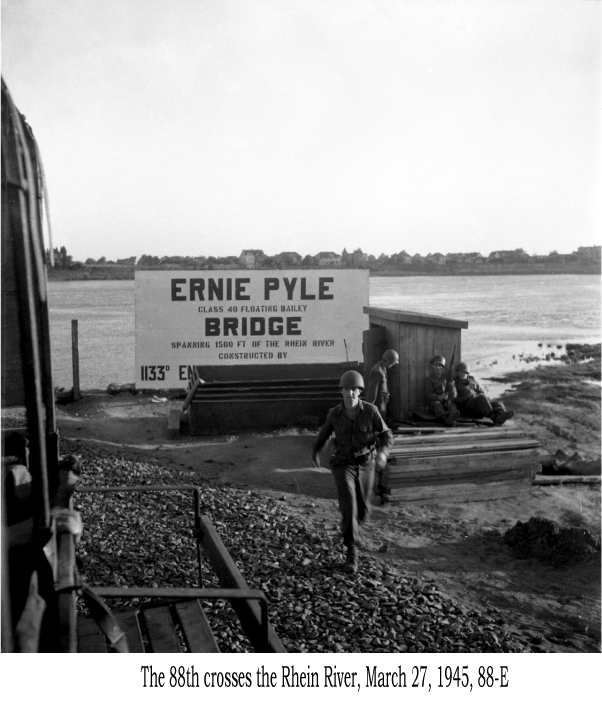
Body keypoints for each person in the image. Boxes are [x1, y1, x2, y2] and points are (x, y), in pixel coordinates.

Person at [311, 370, 393, 573]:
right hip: (343, 464)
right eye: (346, 390)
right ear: (342, 392)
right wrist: (316, 451)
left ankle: (355, 530)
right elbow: (324, 434)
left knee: (363, 510)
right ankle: (351, 552)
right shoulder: (334, 414)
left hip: (366, 464)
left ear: (360, 392)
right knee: (349, 507)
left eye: (354, 390)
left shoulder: (371, 411)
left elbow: (387, 435)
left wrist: (382, 454)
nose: (350, 394)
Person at [425, 354, 459, 426]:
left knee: (453, 407)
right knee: (437, 404)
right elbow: (428, 395)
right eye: (436, 365)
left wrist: (449, 400)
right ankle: (446, 419)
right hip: (434, 403)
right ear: (433, 366)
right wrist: (439, 397)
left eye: (440, 366)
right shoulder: (429, 380)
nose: (438, 368)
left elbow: (454, 393)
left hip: (446, 402)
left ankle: (449, 418)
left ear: (443, 368)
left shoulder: (447, 379)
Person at [365, 349, 399, 421]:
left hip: (382, 403)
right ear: (387, 361)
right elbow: (372, 392)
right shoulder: (378, 371)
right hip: (378, 405)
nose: (392, 365)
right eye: (392, 363)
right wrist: (368, 409)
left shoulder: (383, 368)